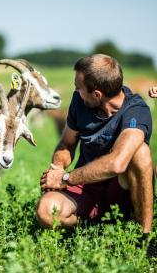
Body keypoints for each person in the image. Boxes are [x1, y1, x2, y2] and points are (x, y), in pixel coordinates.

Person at [37, 54, 155, 254]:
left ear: (97, 94)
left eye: (79, 87)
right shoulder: (79, 102)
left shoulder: (136, 111)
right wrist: (57, 168)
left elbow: (117, 163)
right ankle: (90, 228)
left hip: (120, 187)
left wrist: (65, 179)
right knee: (46, 211)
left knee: (141, 152)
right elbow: (67, 142)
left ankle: (145, 238)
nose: (76, 91)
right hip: (86, 186)